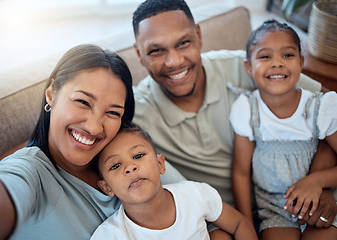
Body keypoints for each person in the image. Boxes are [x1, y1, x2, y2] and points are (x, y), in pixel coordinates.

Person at [131, 0, 337, 228]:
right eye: (156, 50)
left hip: (302, 196)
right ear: (139, 54)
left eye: (183, 43)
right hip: (235, 222)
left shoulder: (248, 66)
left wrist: (321, 183)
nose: (174, 61)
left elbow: (327, 108)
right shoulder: (135, 114)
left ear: (198, 35)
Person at [0, 44, 141, 239]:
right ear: (51, 94)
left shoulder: (130, 154)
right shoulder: (30, 173)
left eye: (113, 112)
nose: (95, 127)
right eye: (82, 102)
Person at [230, 19, 337, 239]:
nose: (277, 63)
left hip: (322, 199)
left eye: (287, 55)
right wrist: (247, 226)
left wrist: (316, 181)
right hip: (275, 208)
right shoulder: (247, 109)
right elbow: (240, 172)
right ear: (248, 67)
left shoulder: (322, 107)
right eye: (265, 56)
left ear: (301, 63)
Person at [90, 123, 258, 240]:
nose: (130, 167)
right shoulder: (110, 235)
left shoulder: (195, 194)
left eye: (138, 156)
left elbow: (239, 224)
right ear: (107, 188)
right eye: (116, 165)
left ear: (160, 164)